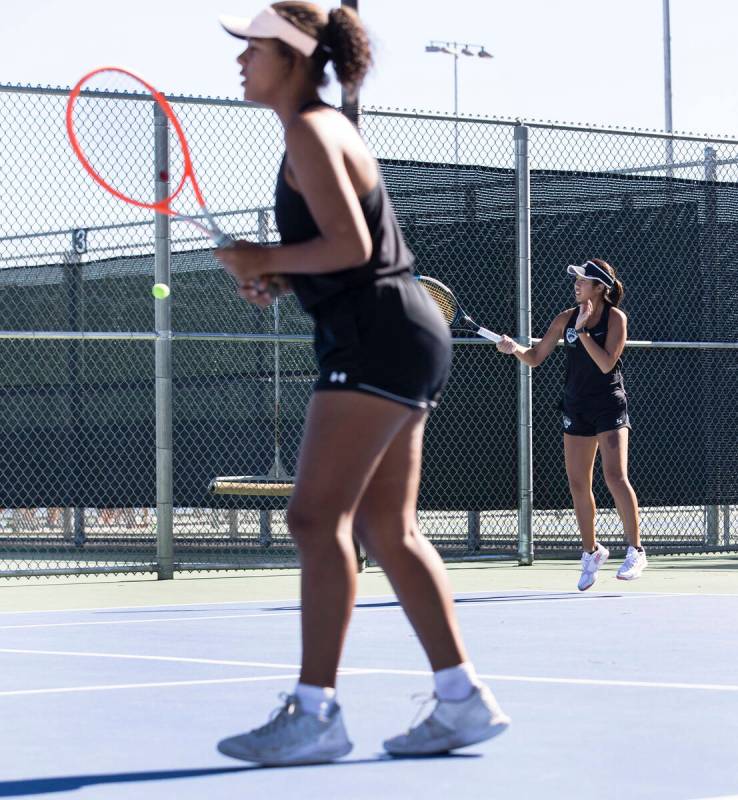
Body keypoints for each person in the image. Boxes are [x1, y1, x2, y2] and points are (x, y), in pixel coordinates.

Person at [213, 2, 510, 766]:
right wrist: (277, 270)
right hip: (401, 334)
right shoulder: (319, 130)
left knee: (316, 520)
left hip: (377, 340)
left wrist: (260, 254)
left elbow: (347, 245)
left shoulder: (312, 130)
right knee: (389, 528)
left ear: (295, 59)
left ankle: (314, 713)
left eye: (253, 50)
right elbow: (347, 249)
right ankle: (461, 699)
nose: (240, 61)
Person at [496, 259, 647, 591]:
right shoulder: (564, 318)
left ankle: (635, 550)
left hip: (608, 404)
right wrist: (514, 349)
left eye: (583, 280)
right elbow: (535, 357)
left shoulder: (615, 319)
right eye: (576, 279)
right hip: (576, 407)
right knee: (578, 483)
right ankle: (591, 552)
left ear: (599, 287)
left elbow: (607, 364)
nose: (576, 284)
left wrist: (581, 332)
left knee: (615, 476)